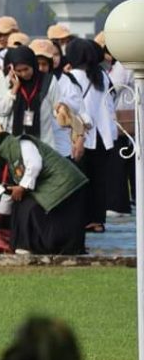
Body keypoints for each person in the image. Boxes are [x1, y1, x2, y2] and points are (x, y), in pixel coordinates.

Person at [0, 123, 88, 255]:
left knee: (27, 207)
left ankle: (36, 245)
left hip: (65, 184)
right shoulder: (10, 160)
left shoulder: (23, 144)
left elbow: (35, 165)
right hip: (50, 186)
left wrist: (22, 187)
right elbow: (8, 192)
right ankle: (27, 245)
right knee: (20, 205)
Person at [66, 38, 123, 233]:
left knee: (80, 179)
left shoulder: (72, 76)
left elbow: (72, 107)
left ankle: (81, 218)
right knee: (99, 180)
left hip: (83, 135)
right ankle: (97, 220)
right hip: (104, 135)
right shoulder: (102, 75)